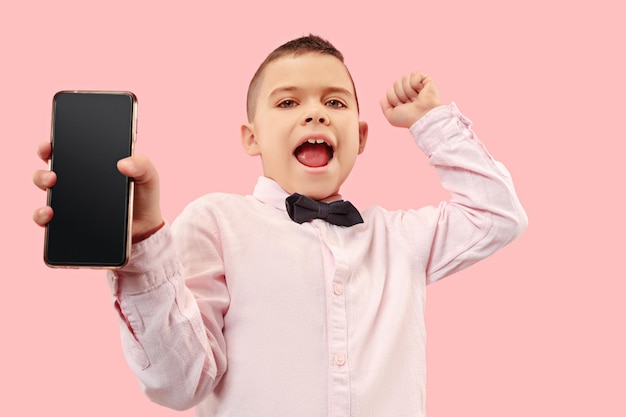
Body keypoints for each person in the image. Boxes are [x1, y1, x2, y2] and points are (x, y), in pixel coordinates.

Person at [33, 35, 527, 417]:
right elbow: (180, 383)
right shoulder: (217, 221)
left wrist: (431, 121)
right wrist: (142, 245)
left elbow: (499, 215)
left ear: (360, 135)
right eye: (288, 103)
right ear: (251, 137)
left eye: (334, 103)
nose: (315, 111)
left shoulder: (399, 238)